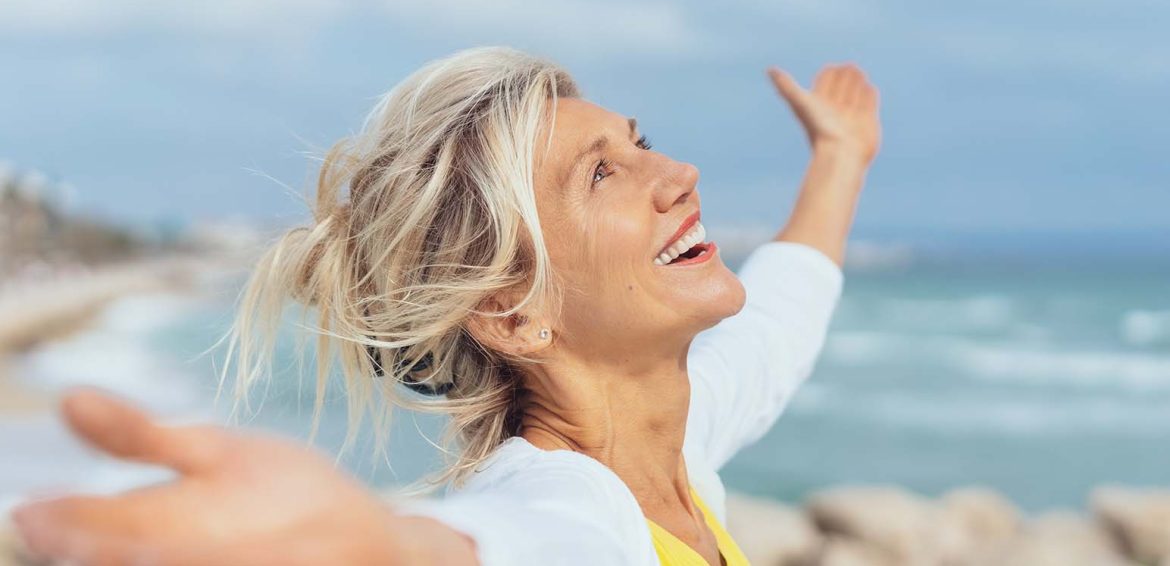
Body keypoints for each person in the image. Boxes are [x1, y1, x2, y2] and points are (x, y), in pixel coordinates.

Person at [11, 46, 880, 565]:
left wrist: (839, 157)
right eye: (601, 173)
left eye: (638, 142)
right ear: (513, 311)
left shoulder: (677, 448)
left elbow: (781, 317)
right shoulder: (572, 512)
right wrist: (365, 543)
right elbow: (487, 544)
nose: (679, 173)